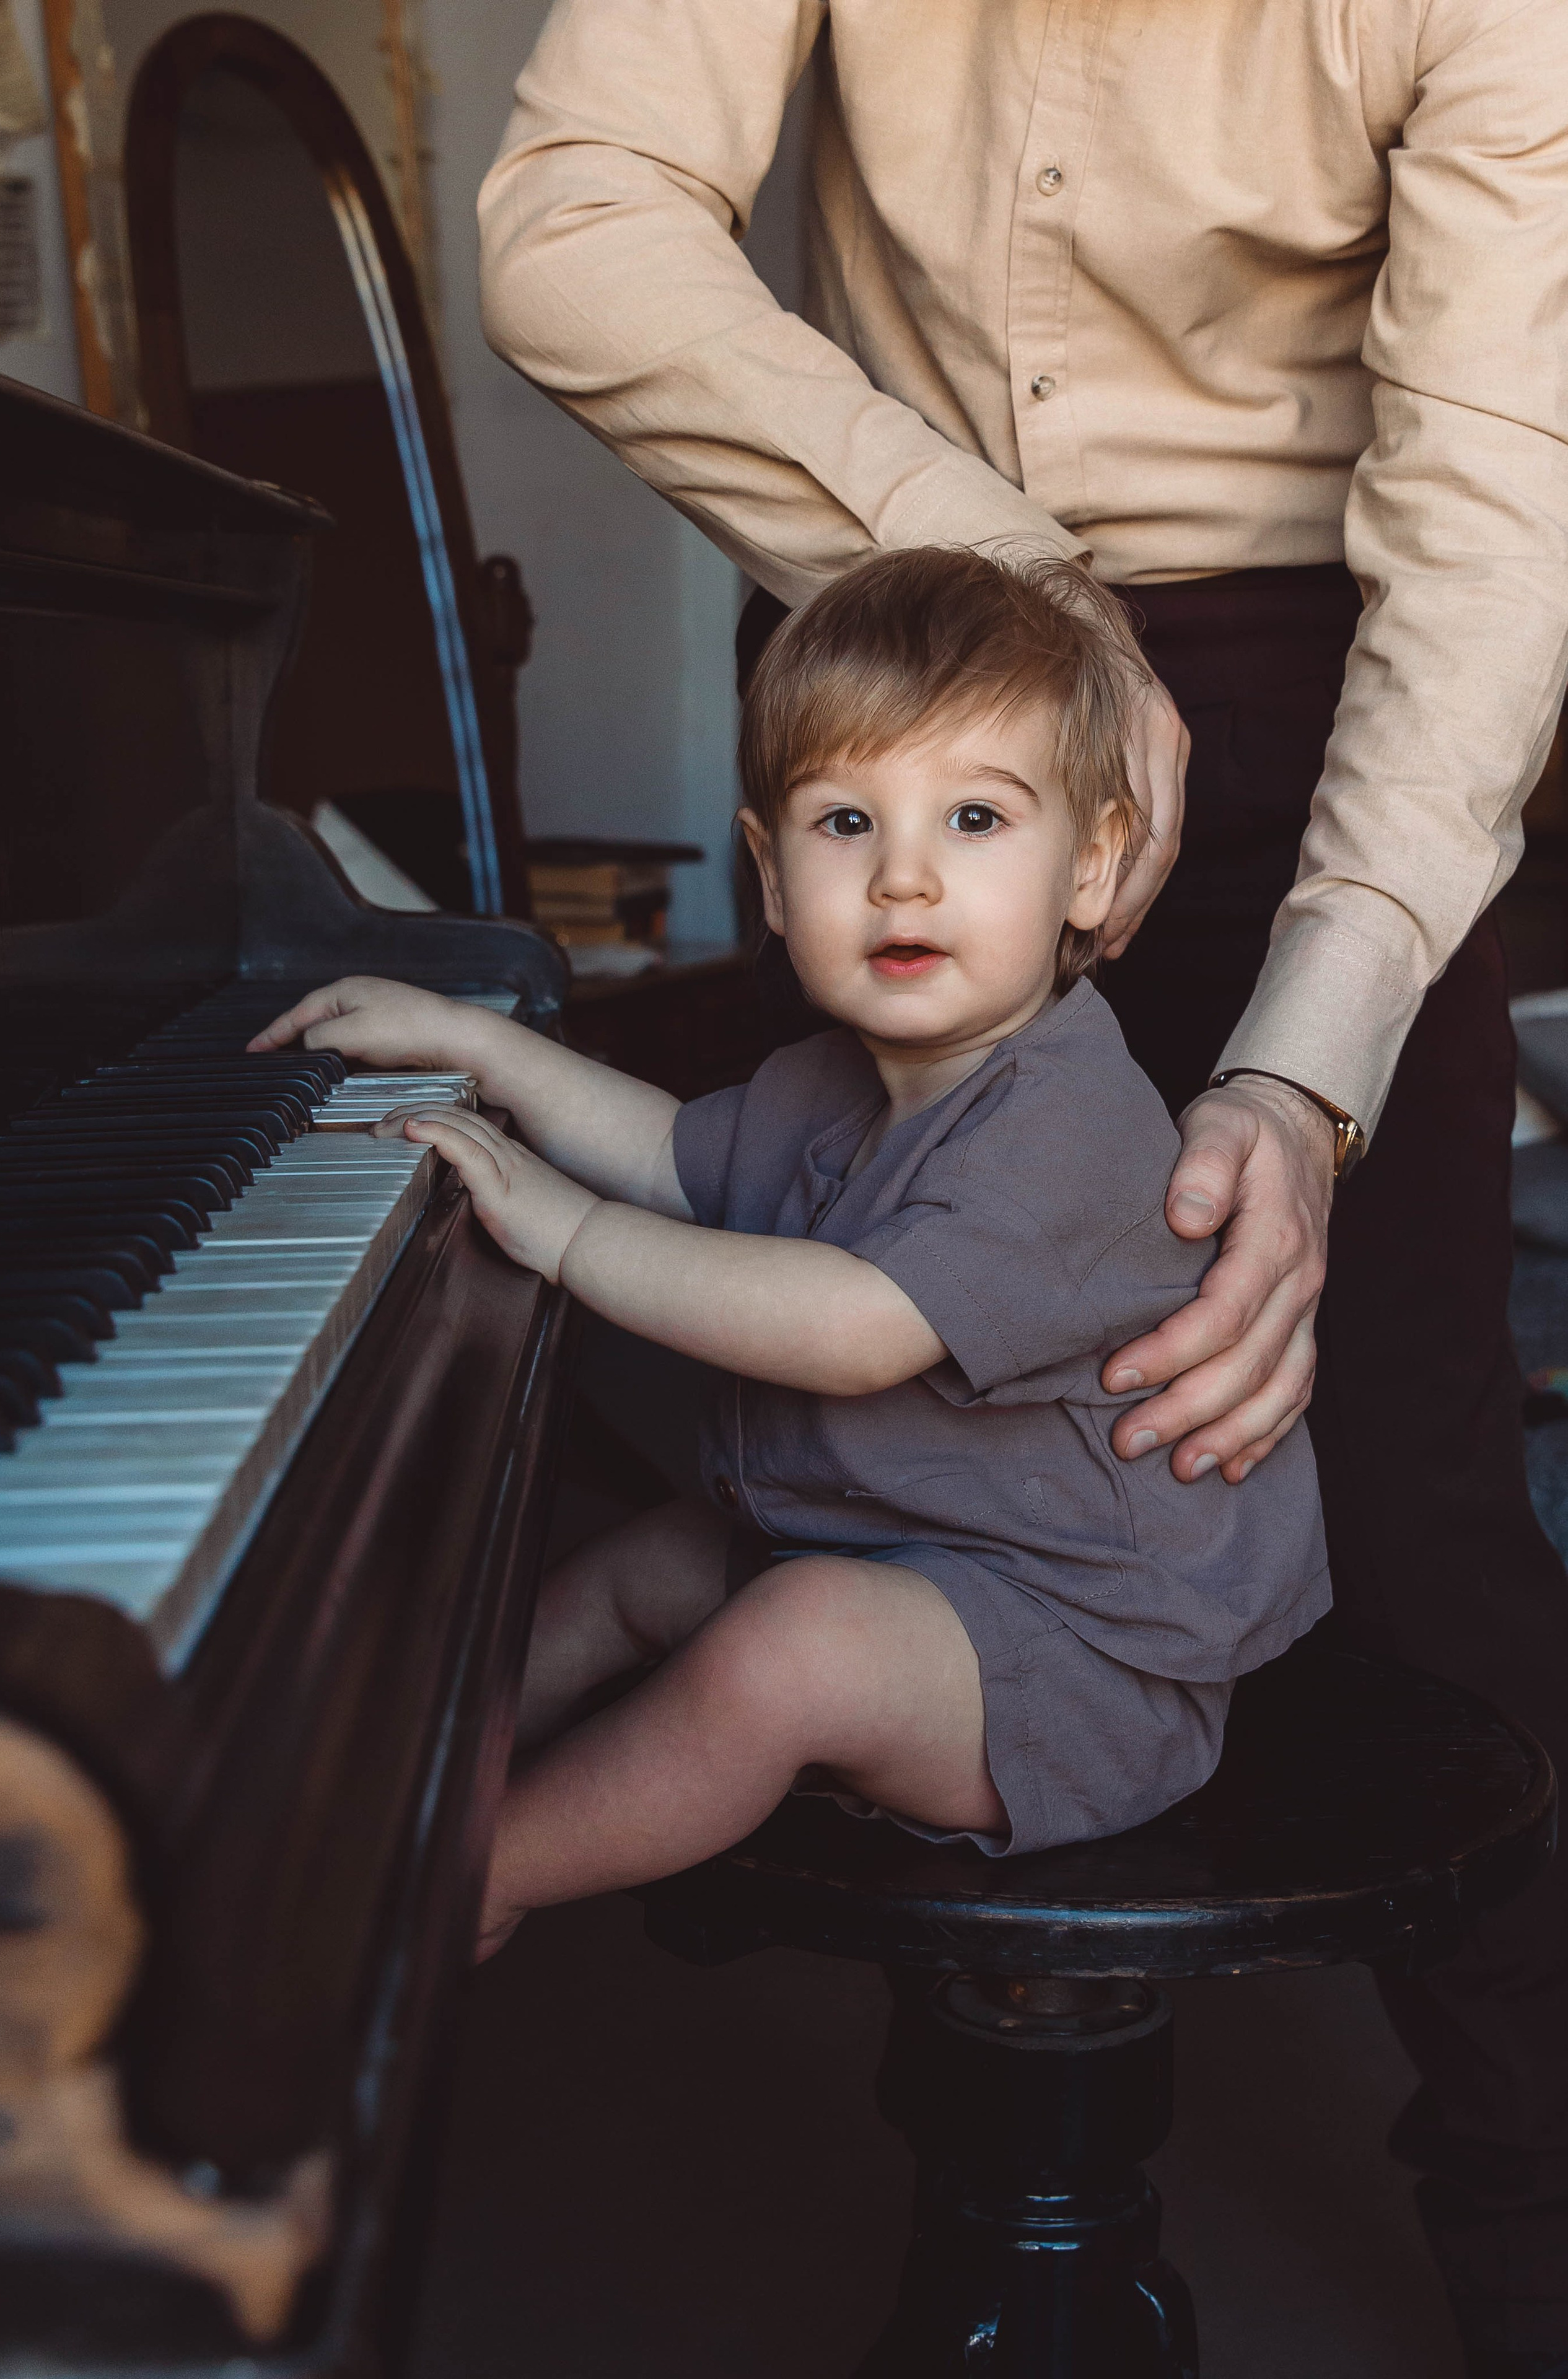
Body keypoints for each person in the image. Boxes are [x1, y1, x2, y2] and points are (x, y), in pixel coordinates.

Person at [475, 11, 1568, 2367]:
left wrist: (1307, 1064)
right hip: (909, 608)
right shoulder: (881, 802)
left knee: (1413, 1490)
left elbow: (1494, 516)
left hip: (1335, 675)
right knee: (874, 1485)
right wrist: (1000, 572)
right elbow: (572, 231)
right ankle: (991, 2196)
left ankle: (1536, 2239)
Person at [251, 546, 1328, 1948]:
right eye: (841, 824)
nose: (902, 881)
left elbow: (852, 1326)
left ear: (1096, 863)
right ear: (769, 875)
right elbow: (672, 1153)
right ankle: (401, 1779)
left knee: (791, 1643)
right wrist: (479, 1047)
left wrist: (564, 1231)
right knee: (653, 1566)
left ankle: (480, 1876)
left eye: (974, 820)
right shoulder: (839, 1076)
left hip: (1081, 1661)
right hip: (917, 1555)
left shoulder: (1071, 1120)